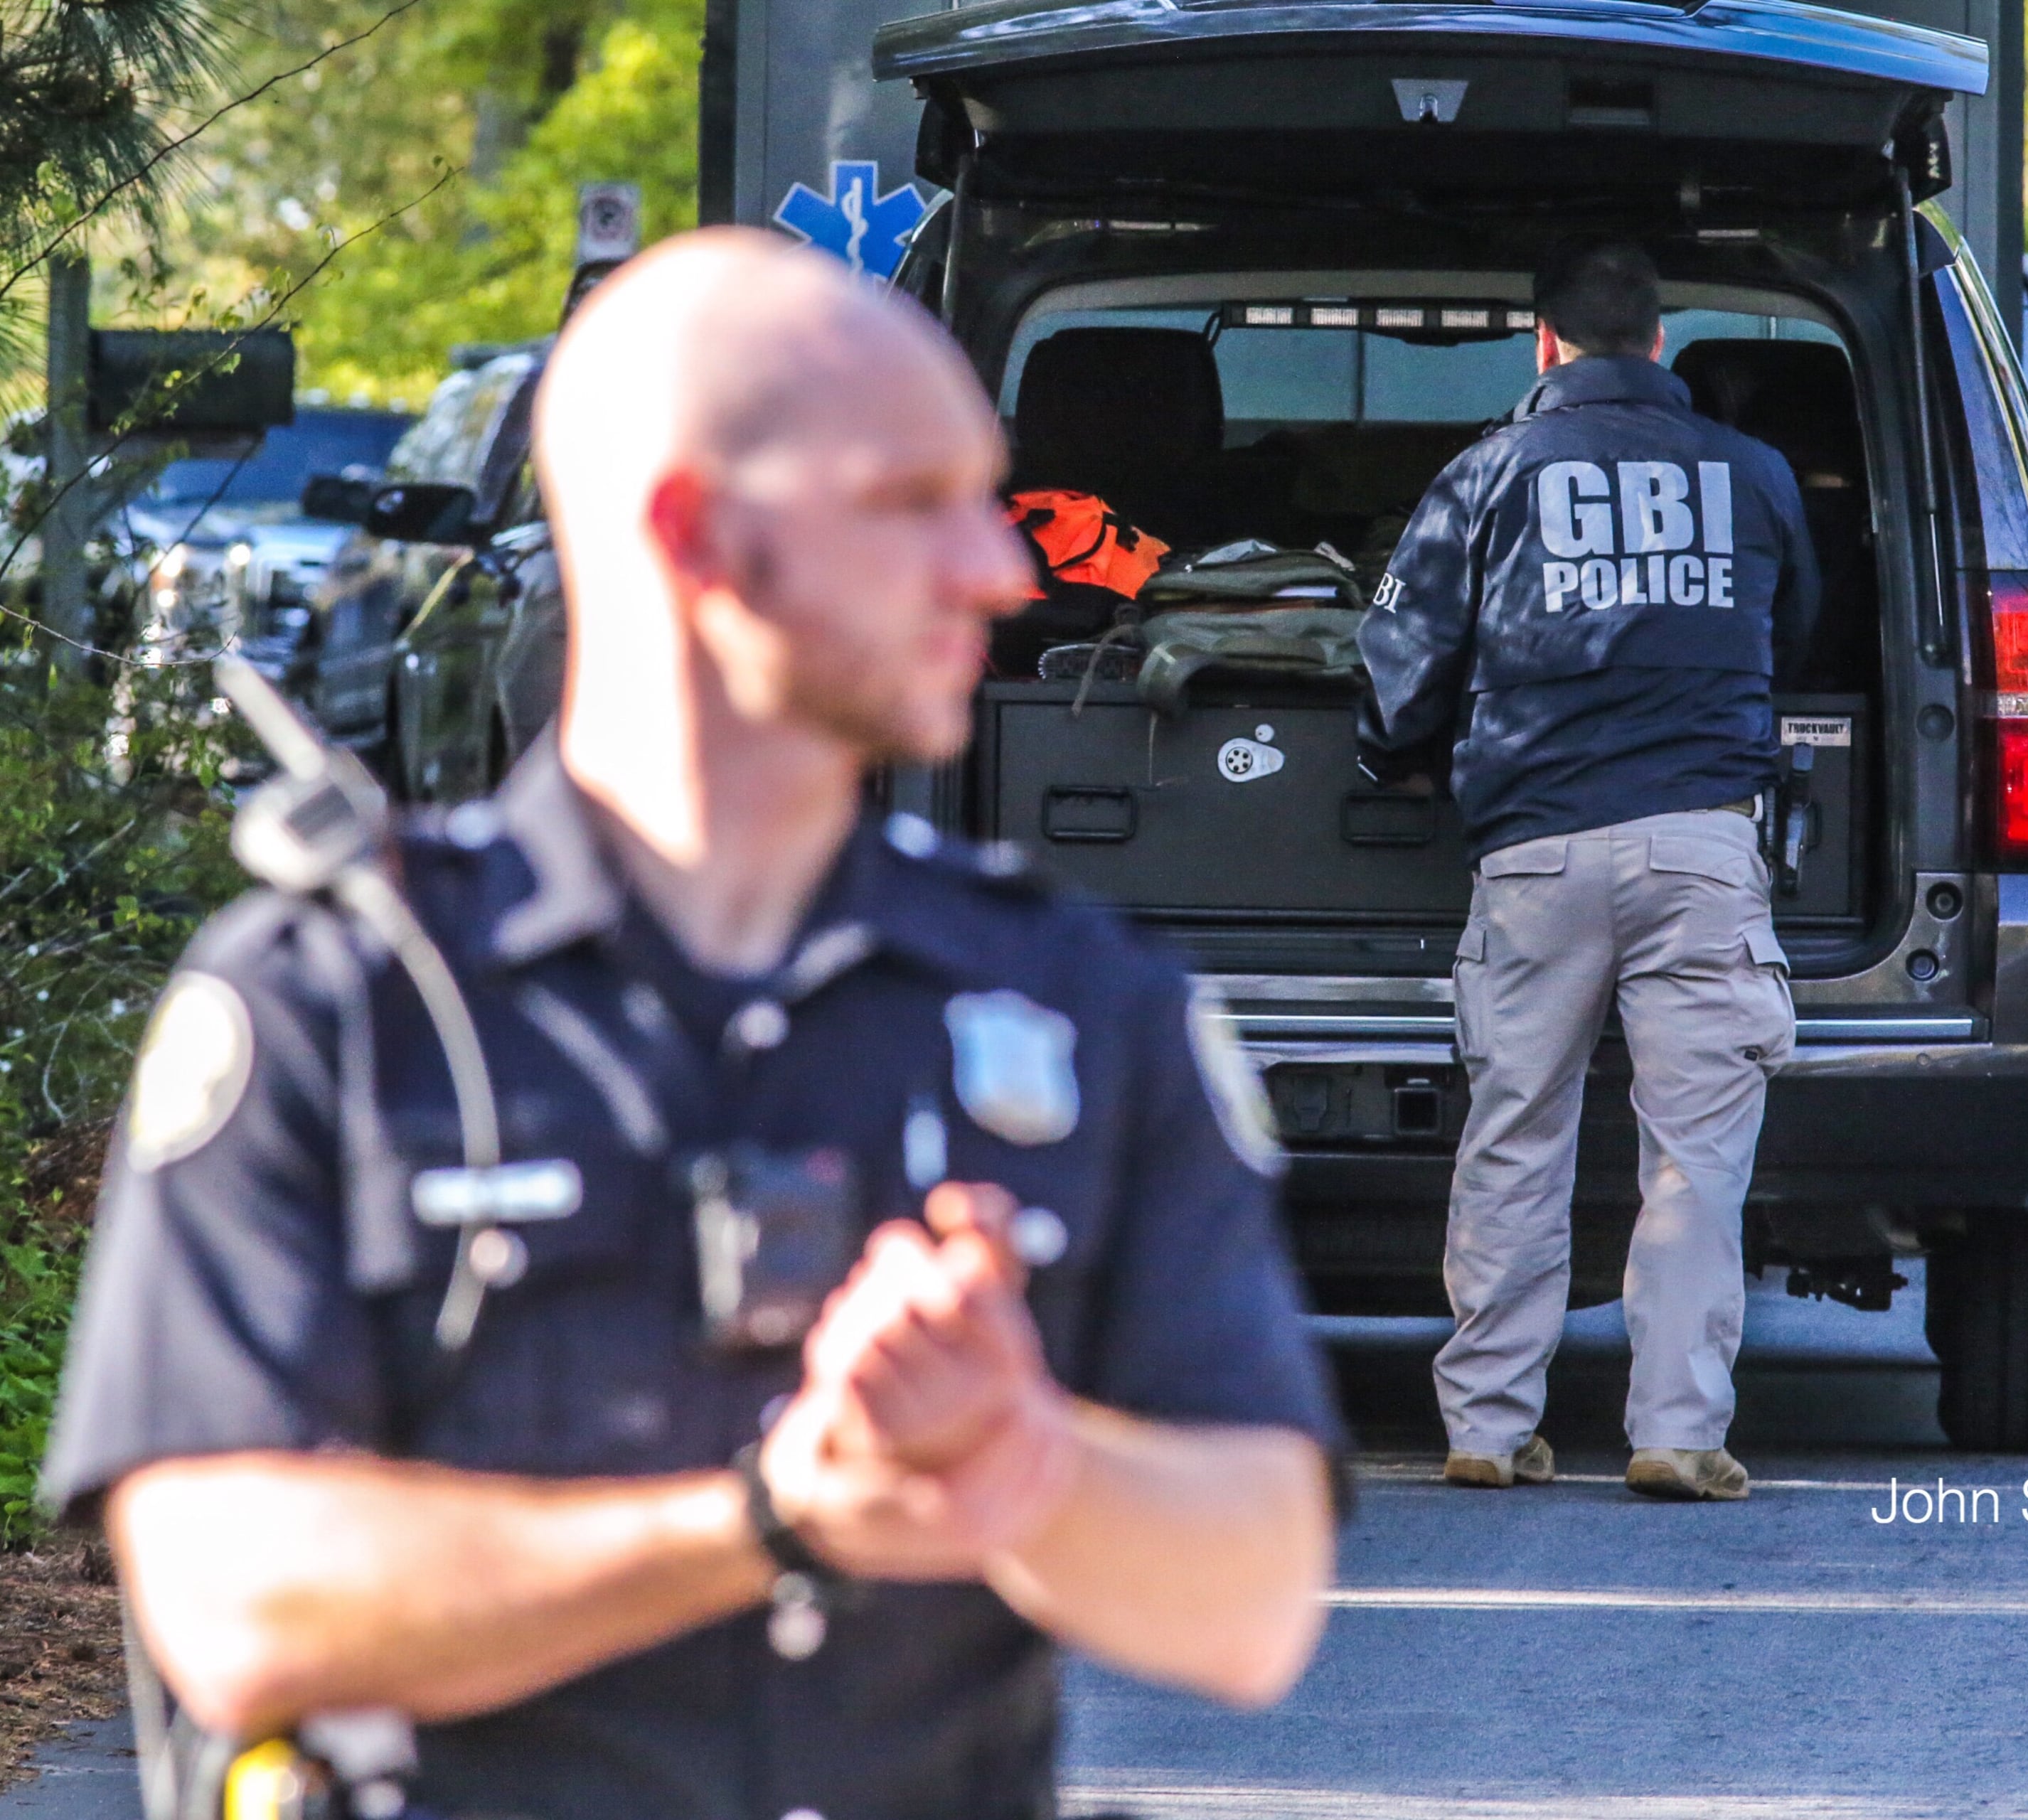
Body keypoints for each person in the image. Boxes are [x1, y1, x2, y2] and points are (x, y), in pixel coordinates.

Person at [43, 229, 1343, 1819]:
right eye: (913, 503)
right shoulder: (334, 1002)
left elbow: (1257, 1594)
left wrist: (1029, 1462)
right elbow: (235, 1602)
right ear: (699, 537)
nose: (1000, 570)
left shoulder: (1080, 1002)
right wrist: (768, 1519)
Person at [1357, 238, 1819, 1504]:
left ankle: (1490, 1430)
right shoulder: (1755, 473)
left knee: (1515, 1134)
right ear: (1659, 345)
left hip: (1536, 848)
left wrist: (1398, 759)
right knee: (1695, 1152)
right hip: (1703, 845)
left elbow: (1403, 665)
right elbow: (1799, 631)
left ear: (1543, 346)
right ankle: (1675, 1433)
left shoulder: (1486, 472)